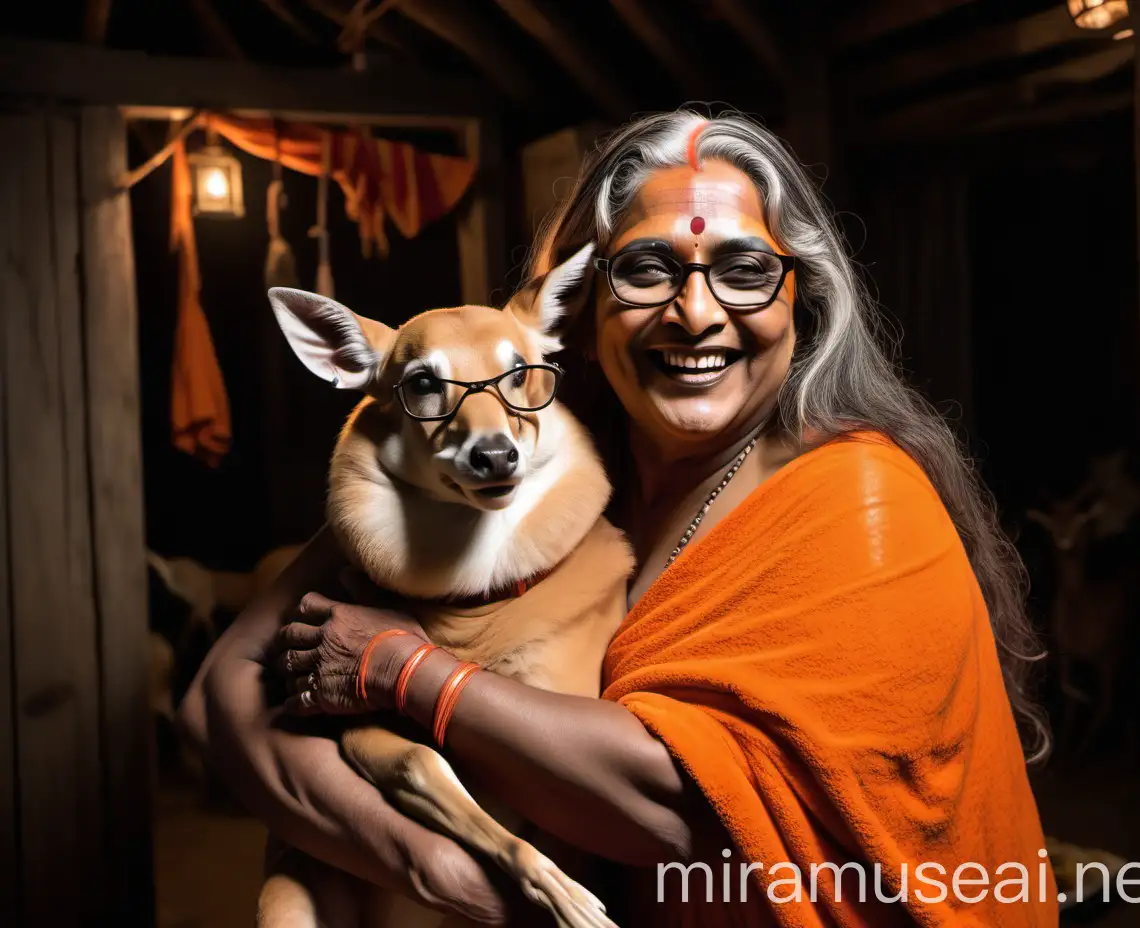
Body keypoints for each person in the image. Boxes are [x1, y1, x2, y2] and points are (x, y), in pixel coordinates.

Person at [179, 109, 1058, 927]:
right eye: (647, 268)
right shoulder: (524, 454)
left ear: (804, 299)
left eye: (746, 270)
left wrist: (404, 672)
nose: (698, 312)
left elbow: (679, 810)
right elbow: (224, 694)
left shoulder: (861, 501)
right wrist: (441, 871)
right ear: (580, 302)